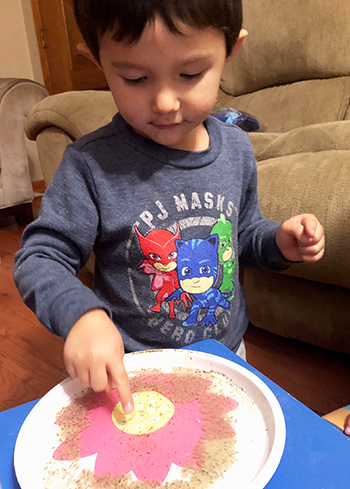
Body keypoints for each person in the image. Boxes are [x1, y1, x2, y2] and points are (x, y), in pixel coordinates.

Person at [14, 0, 325, 415]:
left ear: (230, 52)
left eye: (190, 74)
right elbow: (40, 256)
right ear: (98, 61)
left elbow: (241, 235)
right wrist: (80, 316)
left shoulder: (236, 150)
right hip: (132, 371)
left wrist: (278, 242)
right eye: (135, 77)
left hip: (228, 355)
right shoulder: (90, 165)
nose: (164, 101)